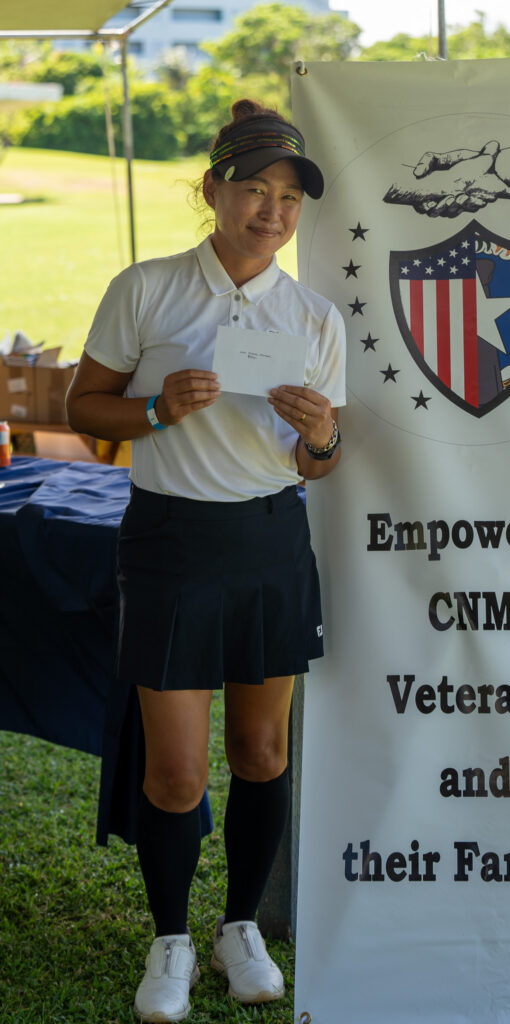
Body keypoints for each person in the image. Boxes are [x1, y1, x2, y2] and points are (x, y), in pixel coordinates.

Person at [66, 98, 345, 1023]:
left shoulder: (312, 315)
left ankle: (239, 928)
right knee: (177, 774)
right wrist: (155, 410)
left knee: (262, 753)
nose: (272, 211)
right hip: (171, 543)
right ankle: (170, 941)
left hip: (270, 540)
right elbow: (83, 409)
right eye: (255, 189)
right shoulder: (147, 288)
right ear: (212, 189)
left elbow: (317, 463)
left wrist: (321, 433)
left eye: (288, 197)